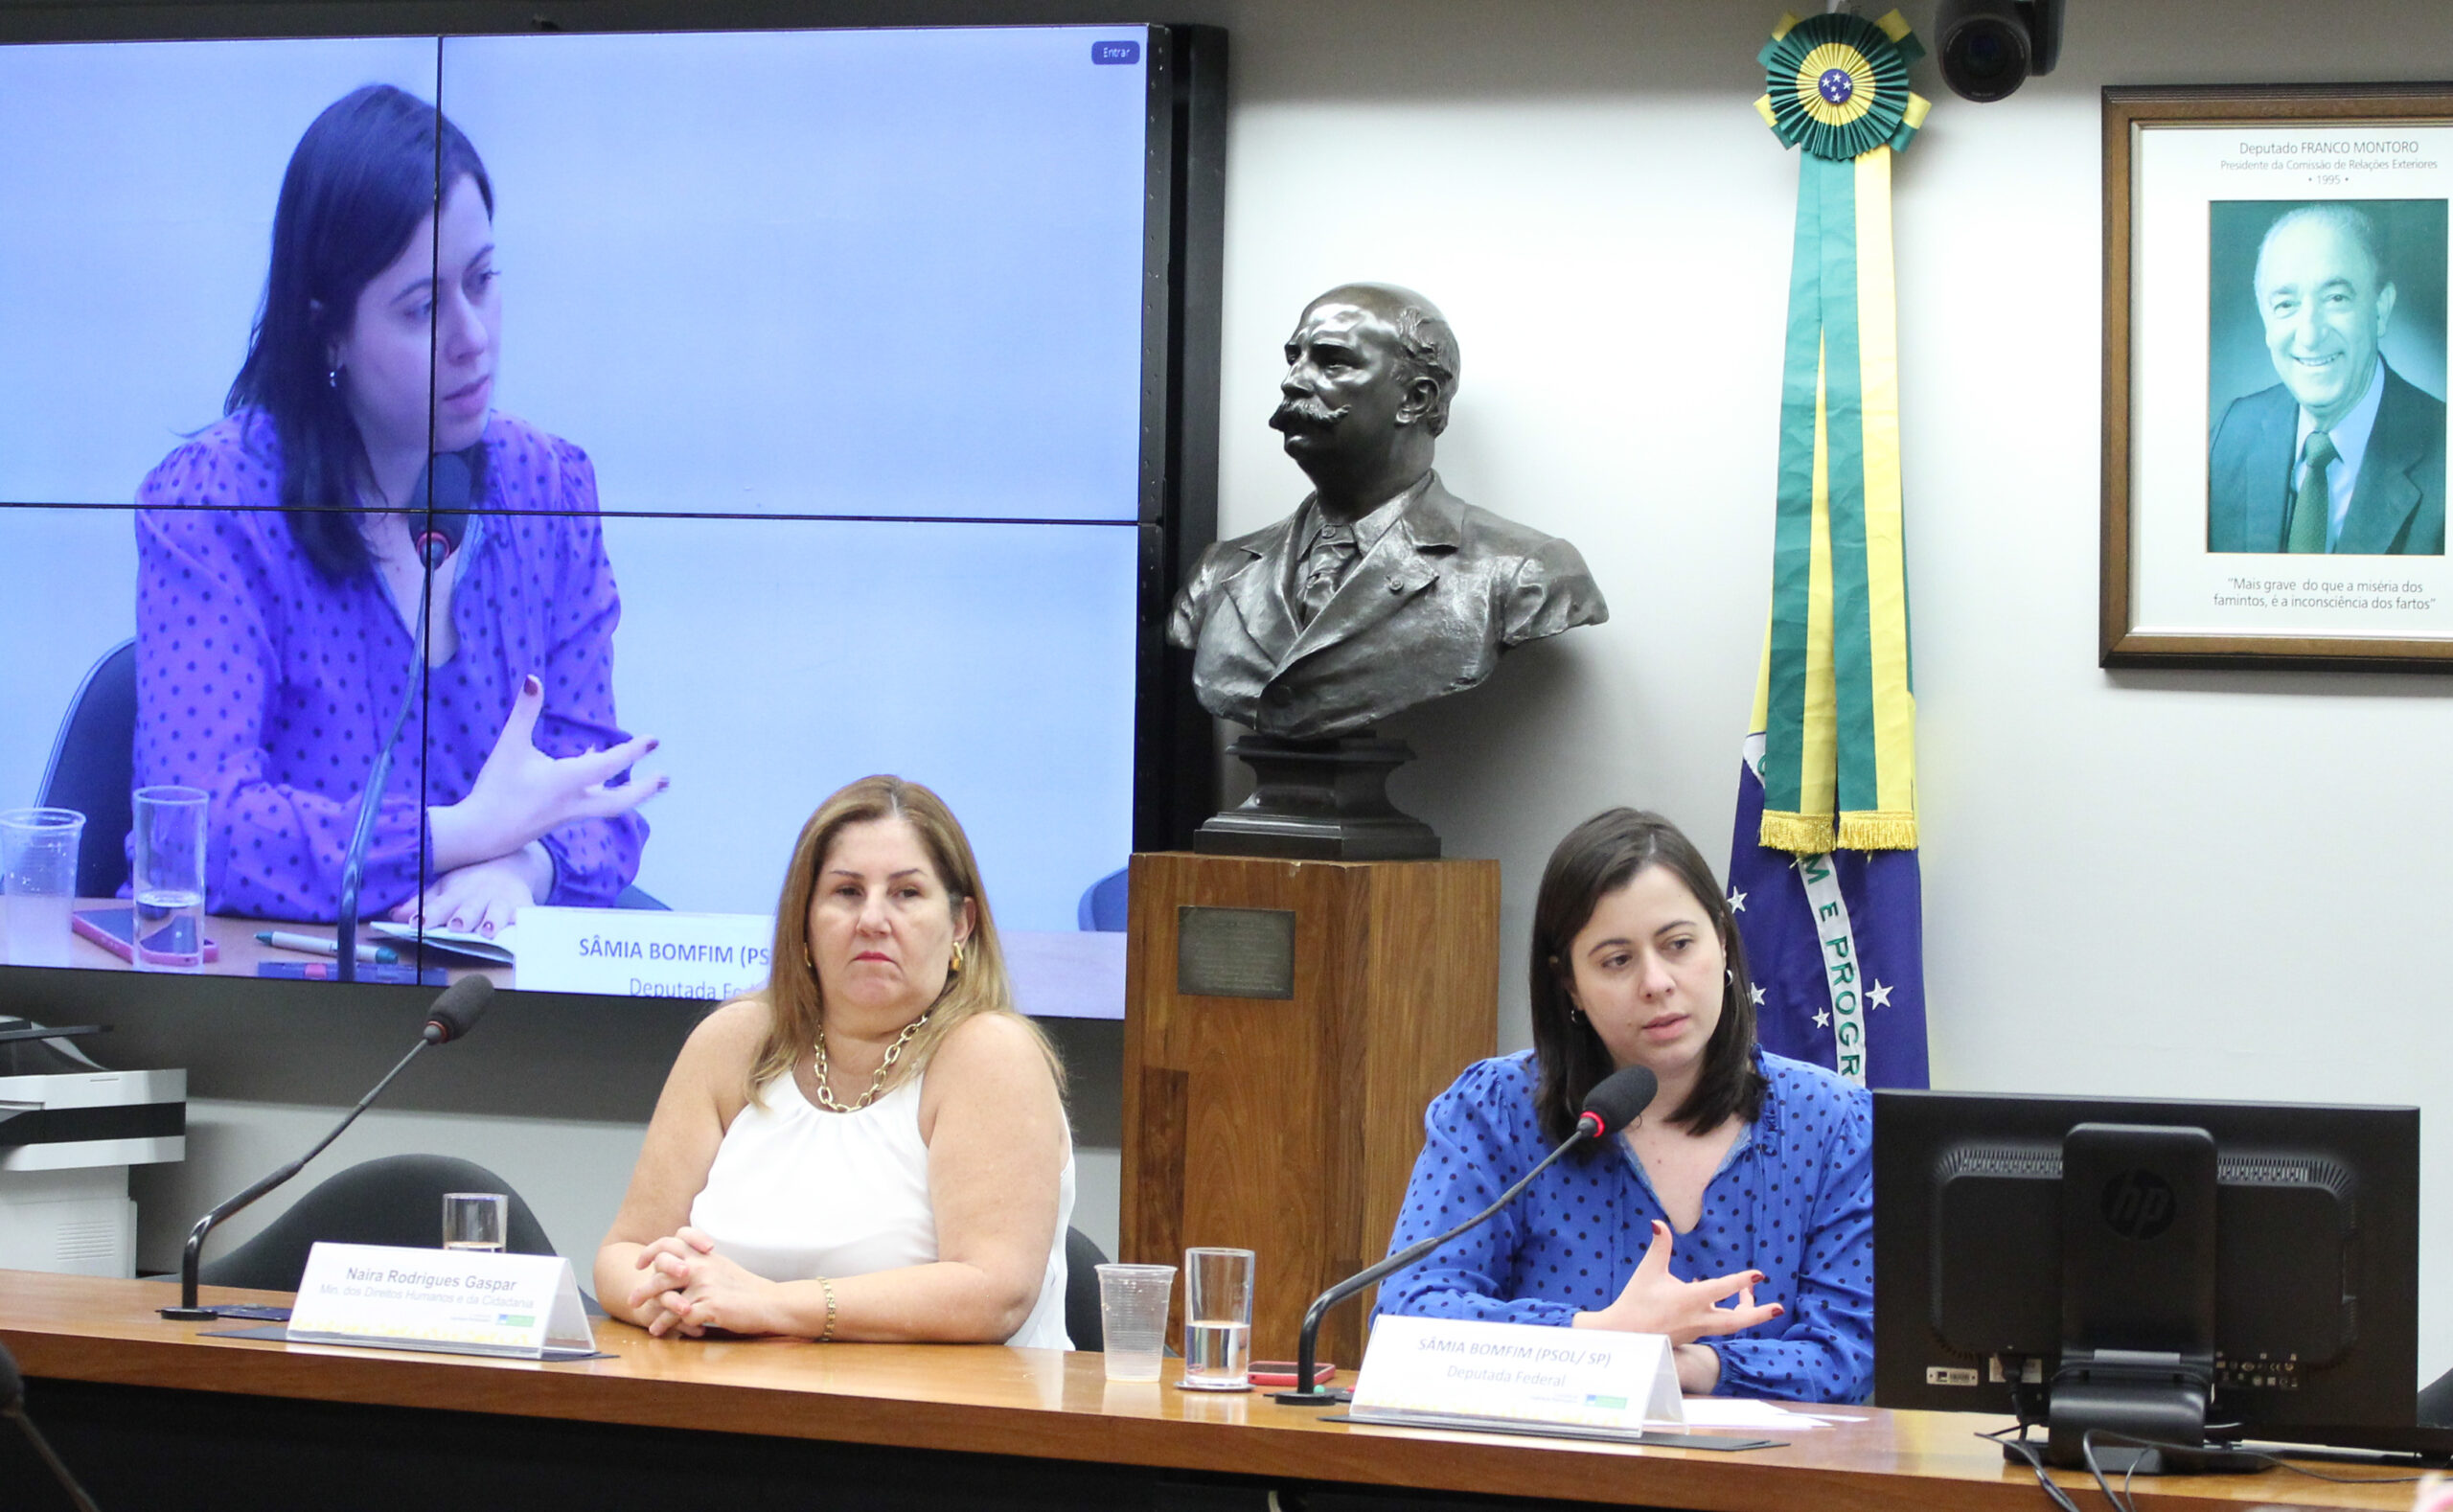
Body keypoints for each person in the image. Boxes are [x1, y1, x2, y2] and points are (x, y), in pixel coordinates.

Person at [131, 84, 663, 932]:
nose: (473, 337)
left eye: (484, 282)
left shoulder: (547, 488)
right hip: (278, 995)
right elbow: (201, 833)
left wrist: (526, 865)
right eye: (422, 309)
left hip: (483, 986)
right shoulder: (213, 506)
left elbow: (594, 782)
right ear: (327, 330)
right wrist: (454, 837)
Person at [1372, 808, 1874, 1403]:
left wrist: (1682, 1364)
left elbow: (1850, 1351)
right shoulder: (1495, 1111)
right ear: (1570, 986)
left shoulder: (1833, 1121)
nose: (1656, 982)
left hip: (1761, 1486)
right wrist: (1602, 1334)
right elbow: (1410, 1313)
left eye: (1679, 945)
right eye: (1617, 960)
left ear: (1723, 941)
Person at [595, 775, 1075, 1346]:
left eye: (906, 893)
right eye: (847, 892)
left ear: (961, 925)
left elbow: (994, 1294)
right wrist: (673, 1290)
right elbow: (621, 1254)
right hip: (729, 1405)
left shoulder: (990, 1054)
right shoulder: (735, 1041)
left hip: (946, 1422)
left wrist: (768, 1305)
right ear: (804, 923)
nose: (872, 919)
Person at [1167, 283, 1607, 742]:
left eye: (1332, 361)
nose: (1292, 381)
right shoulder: (1218, 573)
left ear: (1416, 398)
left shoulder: (1527, 573)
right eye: (1294, 357)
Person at [2208, 203, 2446, 556]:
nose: (2310, 335)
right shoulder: (2231, 432)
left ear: (2380, 309)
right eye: (2286, 304)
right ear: (2266, 321)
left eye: (2336, 298)